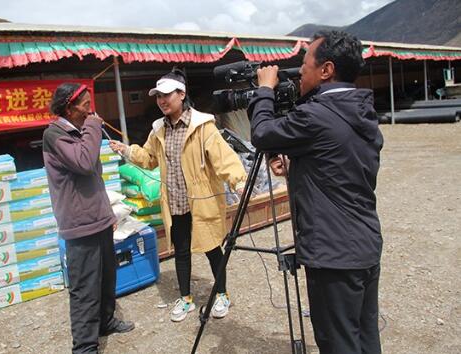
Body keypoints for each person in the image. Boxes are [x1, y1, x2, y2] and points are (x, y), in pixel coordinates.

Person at [248, 31, 383, 354]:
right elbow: (340, 168)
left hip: (333, 254)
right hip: (363, 244)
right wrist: (297, 166)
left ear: (326, 70)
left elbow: (263, 133)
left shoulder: (317, 115)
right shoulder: (358, 110)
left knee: (337, 343)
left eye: (305, 64)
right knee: (365, 338)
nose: (300, 73)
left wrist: (264, 90)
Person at [110, 68, 247, 322]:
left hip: (201, 200)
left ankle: (222, 294)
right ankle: (186, 299)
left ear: (181, 94)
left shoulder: (202, 126)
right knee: (181, 251)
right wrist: (127, 151)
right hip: (174, 203)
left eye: (166, 95)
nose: (161, 101)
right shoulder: (159, 130)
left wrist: (238, 182)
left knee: (212, 248)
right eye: (158, 96)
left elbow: (223, 158)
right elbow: (149, 159)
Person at [43, 83, 134, 354]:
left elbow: (94, 179)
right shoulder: (54, 134)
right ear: (69, 109)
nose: (90, 110)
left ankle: (105, 321)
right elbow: (83, 163)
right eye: (85, 106)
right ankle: (84, 346)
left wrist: (107, 213)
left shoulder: (78, 132)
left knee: (107, 277)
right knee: (84, 288)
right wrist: (94, 126)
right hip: (79, 225)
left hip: (98, 220)